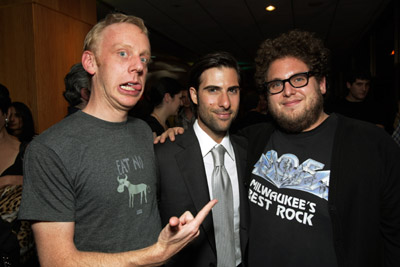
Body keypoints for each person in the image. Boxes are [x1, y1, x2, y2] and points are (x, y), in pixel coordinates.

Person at [18, 13, 216, 267]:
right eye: (123, 53)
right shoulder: (50, 150)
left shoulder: (144, 132)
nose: (139, 66)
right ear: (91, 62)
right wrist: (157, 253)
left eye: (144, 57)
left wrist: (170, 138)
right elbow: (57, 261)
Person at [240, 30, 400, 266]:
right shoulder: (252, 139)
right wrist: (174, 134)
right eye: (275, 84)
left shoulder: (372, 144)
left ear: (322, 84)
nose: (287, 90)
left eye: (298, 79)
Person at [156, 52, 248, 267]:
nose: (225, 102)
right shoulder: (164, 155)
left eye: (232, 90)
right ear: (194, 95)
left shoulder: (249, 150)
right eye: (213, 90)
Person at [0, 84, 38, 267]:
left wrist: (11, 180)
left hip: (20, 250)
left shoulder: (28, 151)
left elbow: (48, 187)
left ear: (5, 113)